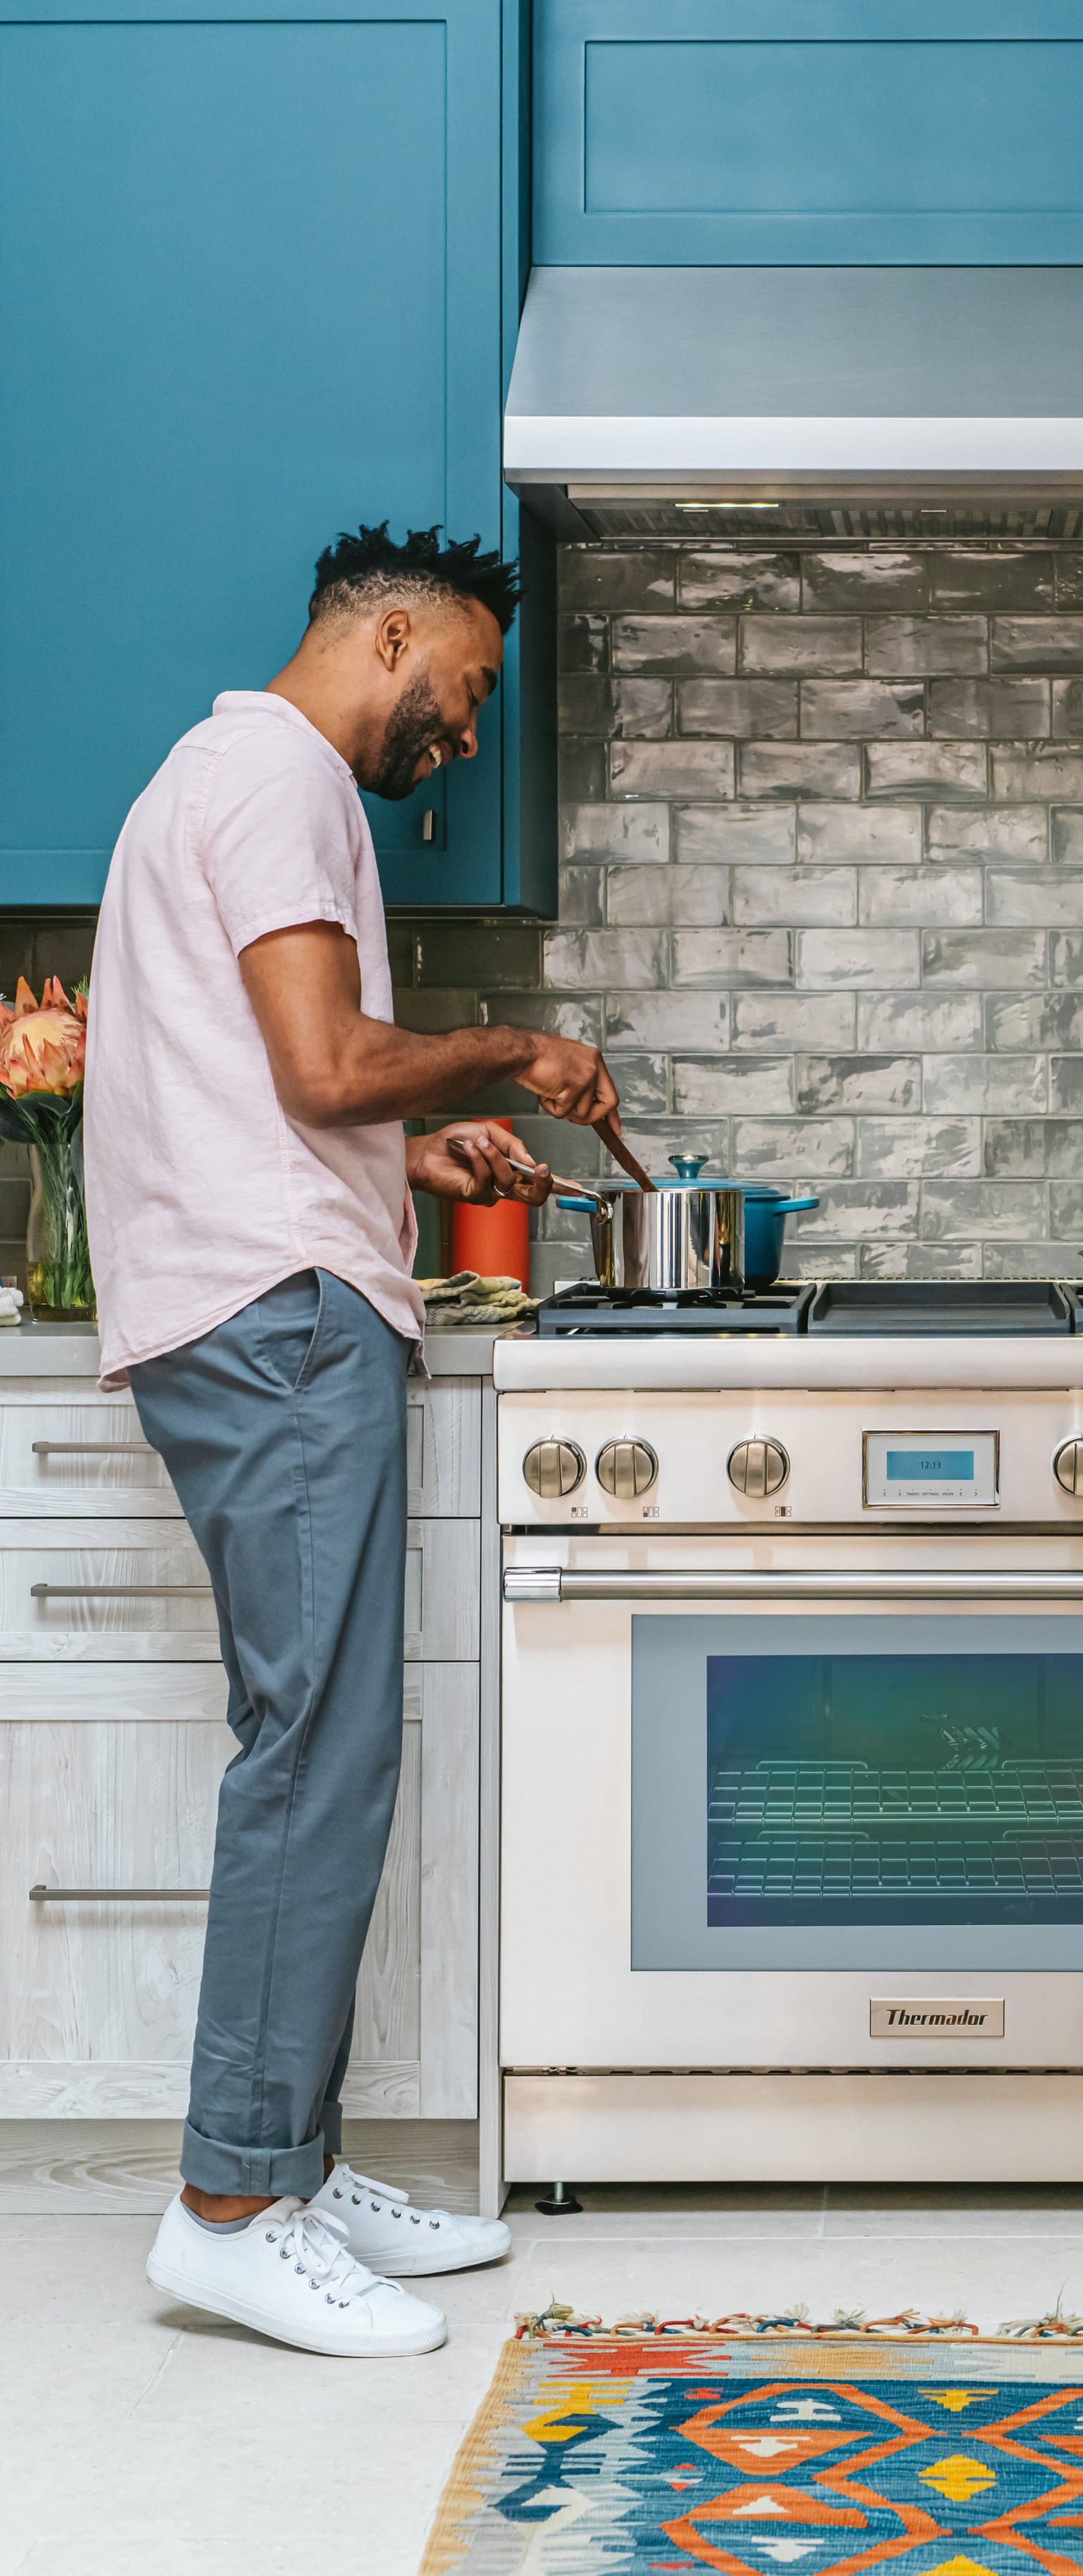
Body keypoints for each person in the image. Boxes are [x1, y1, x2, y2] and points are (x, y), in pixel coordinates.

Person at [85, 524, 623, 2359]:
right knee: (316, 1750)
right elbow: (320, 1065)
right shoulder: (281, 776)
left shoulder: (224, 776)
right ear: (389, 634)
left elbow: (270, 1091)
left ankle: (288, 2171)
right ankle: (231, 2202)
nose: (457, 740)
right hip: (275, 1318)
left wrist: (416, 1153)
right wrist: (507, 1056)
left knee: (320, 1739)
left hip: (253, 1293)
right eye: (463, 693)